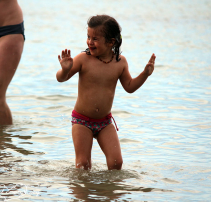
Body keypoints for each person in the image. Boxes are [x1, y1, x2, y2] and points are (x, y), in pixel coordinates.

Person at [56, 15, 156, 170]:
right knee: (83, 165)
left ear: (111, 42)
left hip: (104, 122)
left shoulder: (120, 62)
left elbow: (129, 86)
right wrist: (65, 70)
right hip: (82, 121)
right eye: (88, 37)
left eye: (95, 38)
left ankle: (109, 193)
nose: (90, 42)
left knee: (116, 163)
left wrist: (145, 74)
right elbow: (61, 79)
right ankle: (83, 193)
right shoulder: (83, 59)